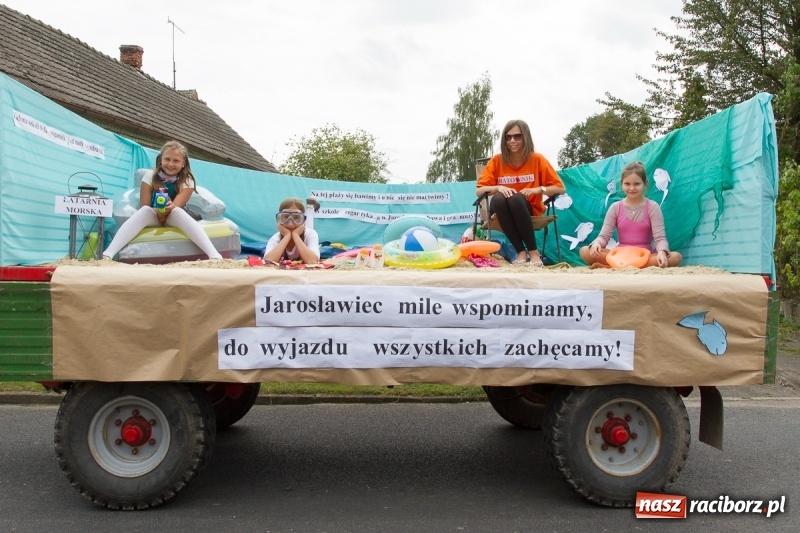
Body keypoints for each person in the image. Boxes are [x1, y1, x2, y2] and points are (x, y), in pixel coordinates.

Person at [103, 141, 223, 260]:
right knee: (145, 210)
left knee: (177, 211)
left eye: (176, 160)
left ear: (183, 163)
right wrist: (158, 211)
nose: (170, 164)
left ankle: (213, 254)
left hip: (172, 215)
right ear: (160, 160)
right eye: (167, 159)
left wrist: (168, 207)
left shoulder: (187, 180)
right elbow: (144, 205)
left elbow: (176, 206)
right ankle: (108, 253)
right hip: (153, 213)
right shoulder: (150, 175)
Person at [476, 119, 566, 265]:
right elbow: (479, 191)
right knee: (499, 198)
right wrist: (498, 187)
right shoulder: (497, 160)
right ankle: (521, 253)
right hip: (500, 210)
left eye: (517, 136)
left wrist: (538, 189)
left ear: (526, 137)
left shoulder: (537, 159)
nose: (512, 140)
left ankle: (533, 253)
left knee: (515, 199)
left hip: (527, 209)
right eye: (508, 137)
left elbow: (560, 189)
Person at [579, 161, 682, 268]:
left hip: (644, 256)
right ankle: (621, 265)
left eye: (637, 184)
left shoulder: (652, 207)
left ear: (645, 183)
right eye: (627, 184)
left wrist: (662, 252)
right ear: (622, 183)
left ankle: (613, 266)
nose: (632, 188)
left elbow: (660, 238)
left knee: (675, 257)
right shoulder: (615, 207)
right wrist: (597, 244)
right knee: (585, 251)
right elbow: (604, 236)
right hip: (619, 256)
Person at [263, 197, 320, 264]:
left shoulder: (310, 234)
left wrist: (295, 235)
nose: (290, 224)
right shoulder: (276, 238)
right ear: (279, 219)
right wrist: (287, 236)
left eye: (296, 217)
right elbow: (268, 262)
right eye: (286, 217)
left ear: (303, 220)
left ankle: (310, 207)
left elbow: (313, 261)